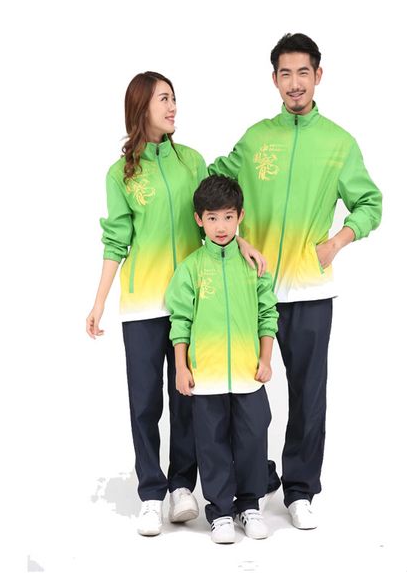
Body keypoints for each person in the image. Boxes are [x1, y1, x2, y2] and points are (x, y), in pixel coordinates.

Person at [208, 33, 383, 529]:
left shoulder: (339, 143)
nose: (294, 83)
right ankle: (257, 478)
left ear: (318, 75)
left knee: (308, 395)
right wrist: (236, 239)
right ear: (274, 80)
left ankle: (300, 489)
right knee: (245, 395)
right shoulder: (256, 139)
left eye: (303, 72)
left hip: (310, 291)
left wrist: (338, 241)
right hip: (254, 288)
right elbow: (214, 185)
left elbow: (370, 203)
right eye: (285, 73)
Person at [86, 71, 265, 536]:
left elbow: (215, 214)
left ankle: (182, 487)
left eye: (173, 98)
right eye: (163, 99)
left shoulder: (192, 161)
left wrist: (243, 243)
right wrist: (99, 302)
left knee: (187, 397)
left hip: (196, 301)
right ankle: (151, 493)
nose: (172, 107)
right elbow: (116, 240)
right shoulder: (121, 175)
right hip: (143, 304)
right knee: (144, 402)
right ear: (141, 107)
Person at [165, 175, 279, 543]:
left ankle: (249, 505)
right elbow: (180, 321)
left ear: (240, 216)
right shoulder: (192, 268)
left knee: (252, 438)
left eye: (228, 217)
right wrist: (181, 367)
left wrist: (266, 359)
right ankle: (220, 511)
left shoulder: (253, 265)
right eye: (212, 218)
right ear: (199, 219)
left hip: (248, 375)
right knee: (211, 444)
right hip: (206, 377)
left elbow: (267, 314)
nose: (221, 226)